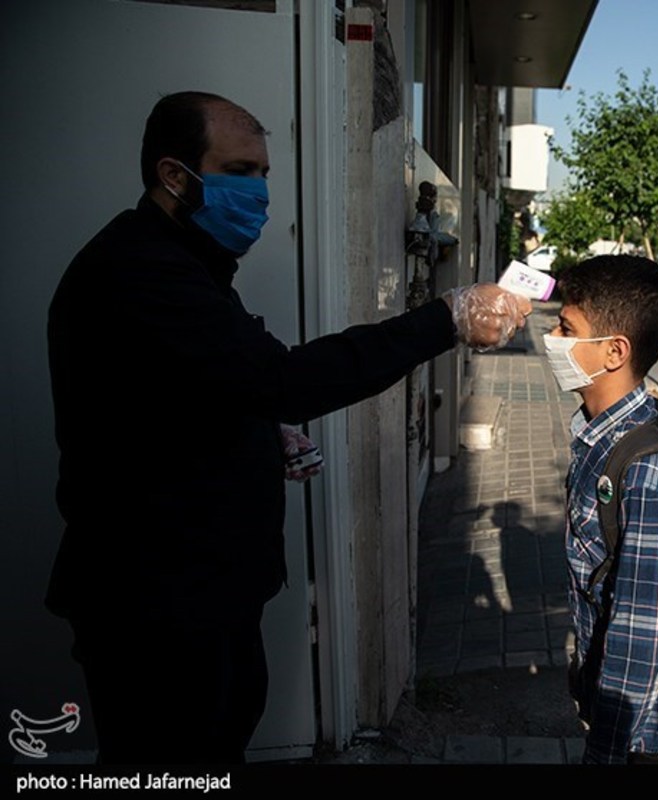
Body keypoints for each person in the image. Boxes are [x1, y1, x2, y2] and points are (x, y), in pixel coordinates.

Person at [45, 91, 529, 763]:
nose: (261, 192)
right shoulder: (140, 271)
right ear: (174, 176)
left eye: (265, 173)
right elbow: (284, 378)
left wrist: (257, 432)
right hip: (156, 604)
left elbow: (204, 387)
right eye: (241, 172)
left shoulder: (190, 265)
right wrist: (443, 319)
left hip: (200, 593)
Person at [547, 255, 658, 763]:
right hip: (630, 721)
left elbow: (640, 634)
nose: (553, 338)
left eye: (566, 328)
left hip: (656, 735)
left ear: (613, 351)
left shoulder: (650, 473)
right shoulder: (602, 432)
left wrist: (603, 753)